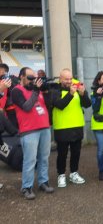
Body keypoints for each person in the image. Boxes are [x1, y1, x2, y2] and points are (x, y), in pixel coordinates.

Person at [11, 67, 54, 200]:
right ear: (21, 77)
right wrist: (36, 90)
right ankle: (26, 186)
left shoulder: (37, 90)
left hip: (44, 128)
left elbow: (48, 105)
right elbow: (26, 107)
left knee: (44, 158)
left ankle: (43, 182)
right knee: (30, 160)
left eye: (34, 77)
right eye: (30, 77)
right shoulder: (16, 91)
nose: (33, 80)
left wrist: (46, 91)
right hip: (29, 130)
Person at [50, 69, 91, 188]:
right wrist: (71, 94)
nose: (69, 81)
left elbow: (87, 105)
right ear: (60, 79)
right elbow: (60, 105)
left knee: (76, 152)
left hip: (77, 125)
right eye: (66, 79)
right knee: (62, 153)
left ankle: (74, 173)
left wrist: (83, 94)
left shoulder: (77, 86)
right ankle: (61, 175)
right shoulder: (55, 89)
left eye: (70, 78)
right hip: (62, 127)